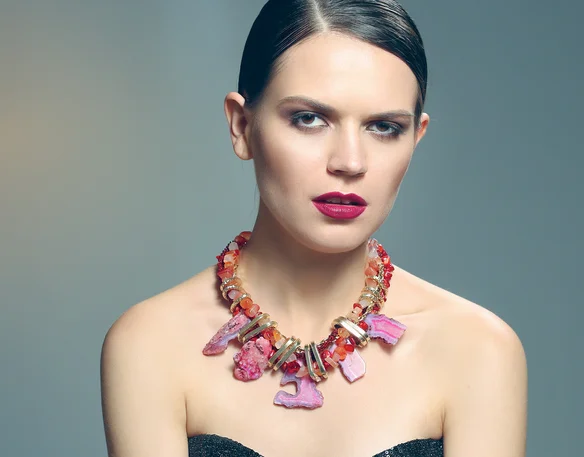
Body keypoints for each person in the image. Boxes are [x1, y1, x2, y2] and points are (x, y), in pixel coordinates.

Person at [101, 0, 528, 456]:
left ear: (415, 138)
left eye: (384, 127)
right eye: (309, 119)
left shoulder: (477, 350)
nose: (350, 162)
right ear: (242, 125)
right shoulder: (151, 344)